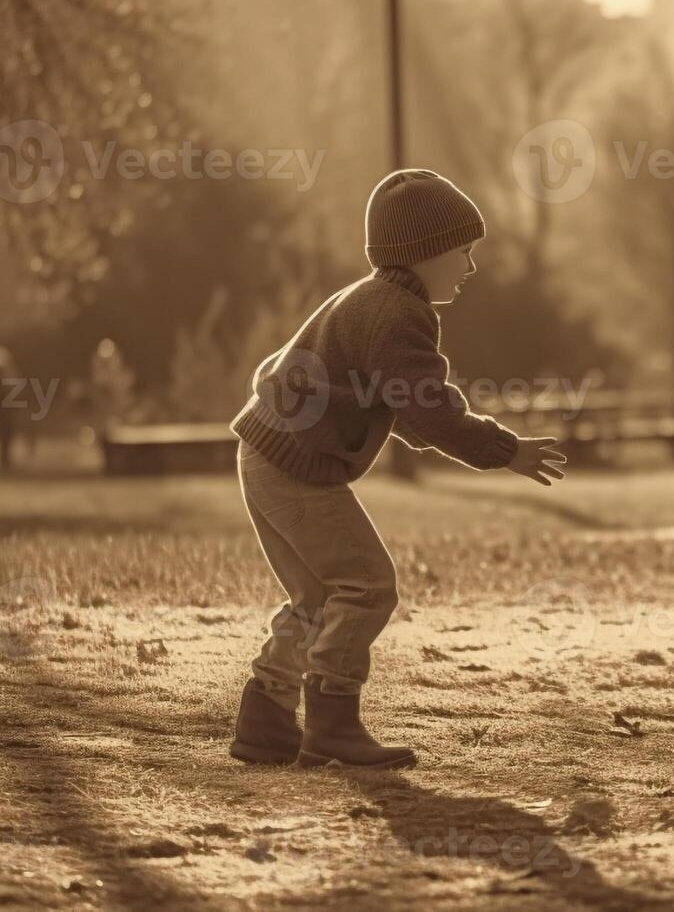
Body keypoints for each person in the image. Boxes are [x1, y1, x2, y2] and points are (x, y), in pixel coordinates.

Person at [228, 169, 568, 769]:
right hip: (295, 466)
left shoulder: (371, 301)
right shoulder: (397, 312)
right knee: (367, 586)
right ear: (426, 252)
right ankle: (331, 720)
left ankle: (267, 716)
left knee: (315, 595)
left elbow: (401, 403)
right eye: (463, 251)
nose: (469, 266)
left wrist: (462, 439)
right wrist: (503, 450)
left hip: (265, 453)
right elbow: (430, 410)